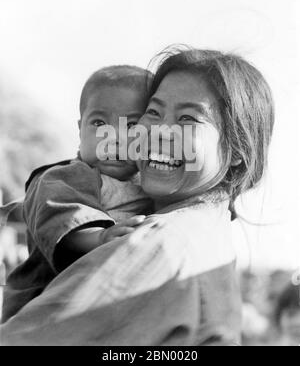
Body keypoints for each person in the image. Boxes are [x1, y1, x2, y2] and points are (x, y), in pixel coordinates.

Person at [1, 46, 274, 346]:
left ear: (237, 152)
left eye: (188, 119)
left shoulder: (162, 244)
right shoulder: (206, 231)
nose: (158, 132)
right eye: (154, 112)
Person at [1, 65, 153, 323]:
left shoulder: (148, 182)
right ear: (80, 129)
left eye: (132, 126)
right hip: (41, 312)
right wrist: (102, 236)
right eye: (99, 123)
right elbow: (64, 218)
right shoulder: (63, 177)